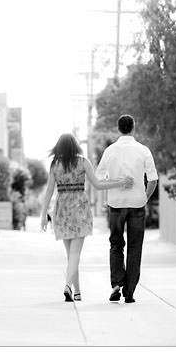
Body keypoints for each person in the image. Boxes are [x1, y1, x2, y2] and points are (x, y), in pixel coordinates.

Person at [40, 133, 134, 302]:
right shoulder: (83, 162)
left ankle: (77, 292)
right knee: (75, 254)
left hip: (61, 210)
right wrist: (120, 182)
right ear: (75, 145)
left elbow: (48, 192)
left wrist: (43, 216)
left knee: (71, 256)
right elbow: (98, 185)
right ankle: (68, 286)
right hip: (80, 209)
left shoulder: (55, 164)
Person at [95, 114, 158, 304]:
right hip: (137, 204)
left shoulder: (109, 151)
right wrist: (144, 197)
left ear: (118, 128)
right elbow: (153, 179)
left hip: (115, 204)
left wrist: (117, 183)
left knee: (116, 244)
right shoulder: (143, 150)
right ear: (133, 127)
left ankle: (116, 283)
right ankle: (129, 292)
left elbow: (98, 179)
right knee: (134, 247)